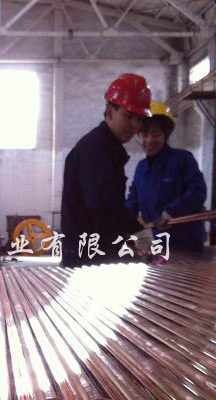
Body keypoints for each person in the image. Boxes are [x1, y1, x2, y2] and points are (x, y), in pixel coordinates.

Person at [60, 73, 153, 267]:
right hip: (87, 258)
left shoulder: (107, 148)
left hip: (94, 254)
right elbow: (103, 205)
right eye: (128, 116)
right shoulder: (96, 149)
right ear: (110, 111)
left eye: (139, 119)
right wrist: (136, 229)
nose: (134, 126)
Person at [126, 101, 207, 256]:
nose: (149, 140)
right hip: (156, 245)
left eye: (155, 134)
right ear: (138, 136)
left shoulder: (182, 160)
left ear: (166, 135)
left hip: (186, 245)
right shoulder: (141, 168)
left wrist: (171, 212)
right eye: (145, 135)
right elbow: (133, 200)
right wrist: (128, 224)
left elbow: (197, 192)